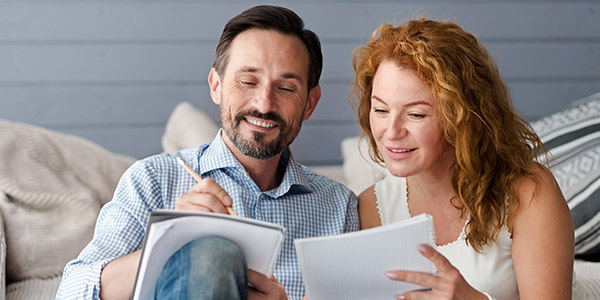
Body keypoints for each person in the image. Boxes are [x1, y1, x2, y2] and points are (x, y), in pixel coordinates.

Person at [55, 5, 358, 300]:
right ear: (216, 86)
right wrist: (170, 240)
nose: (264, 104)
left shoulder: (339, 206)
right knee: (210, 252)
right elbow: (72, 291)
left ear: (309, 103)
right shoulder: (153, 180)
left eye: (286, 88)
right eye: (248, 81)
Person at [352, 19, 588, 299]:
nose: (391, 132)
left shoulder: (527, 192)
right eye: (380, 110)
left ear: (461, 119)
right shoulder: (372, 206)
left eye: (416, 114)